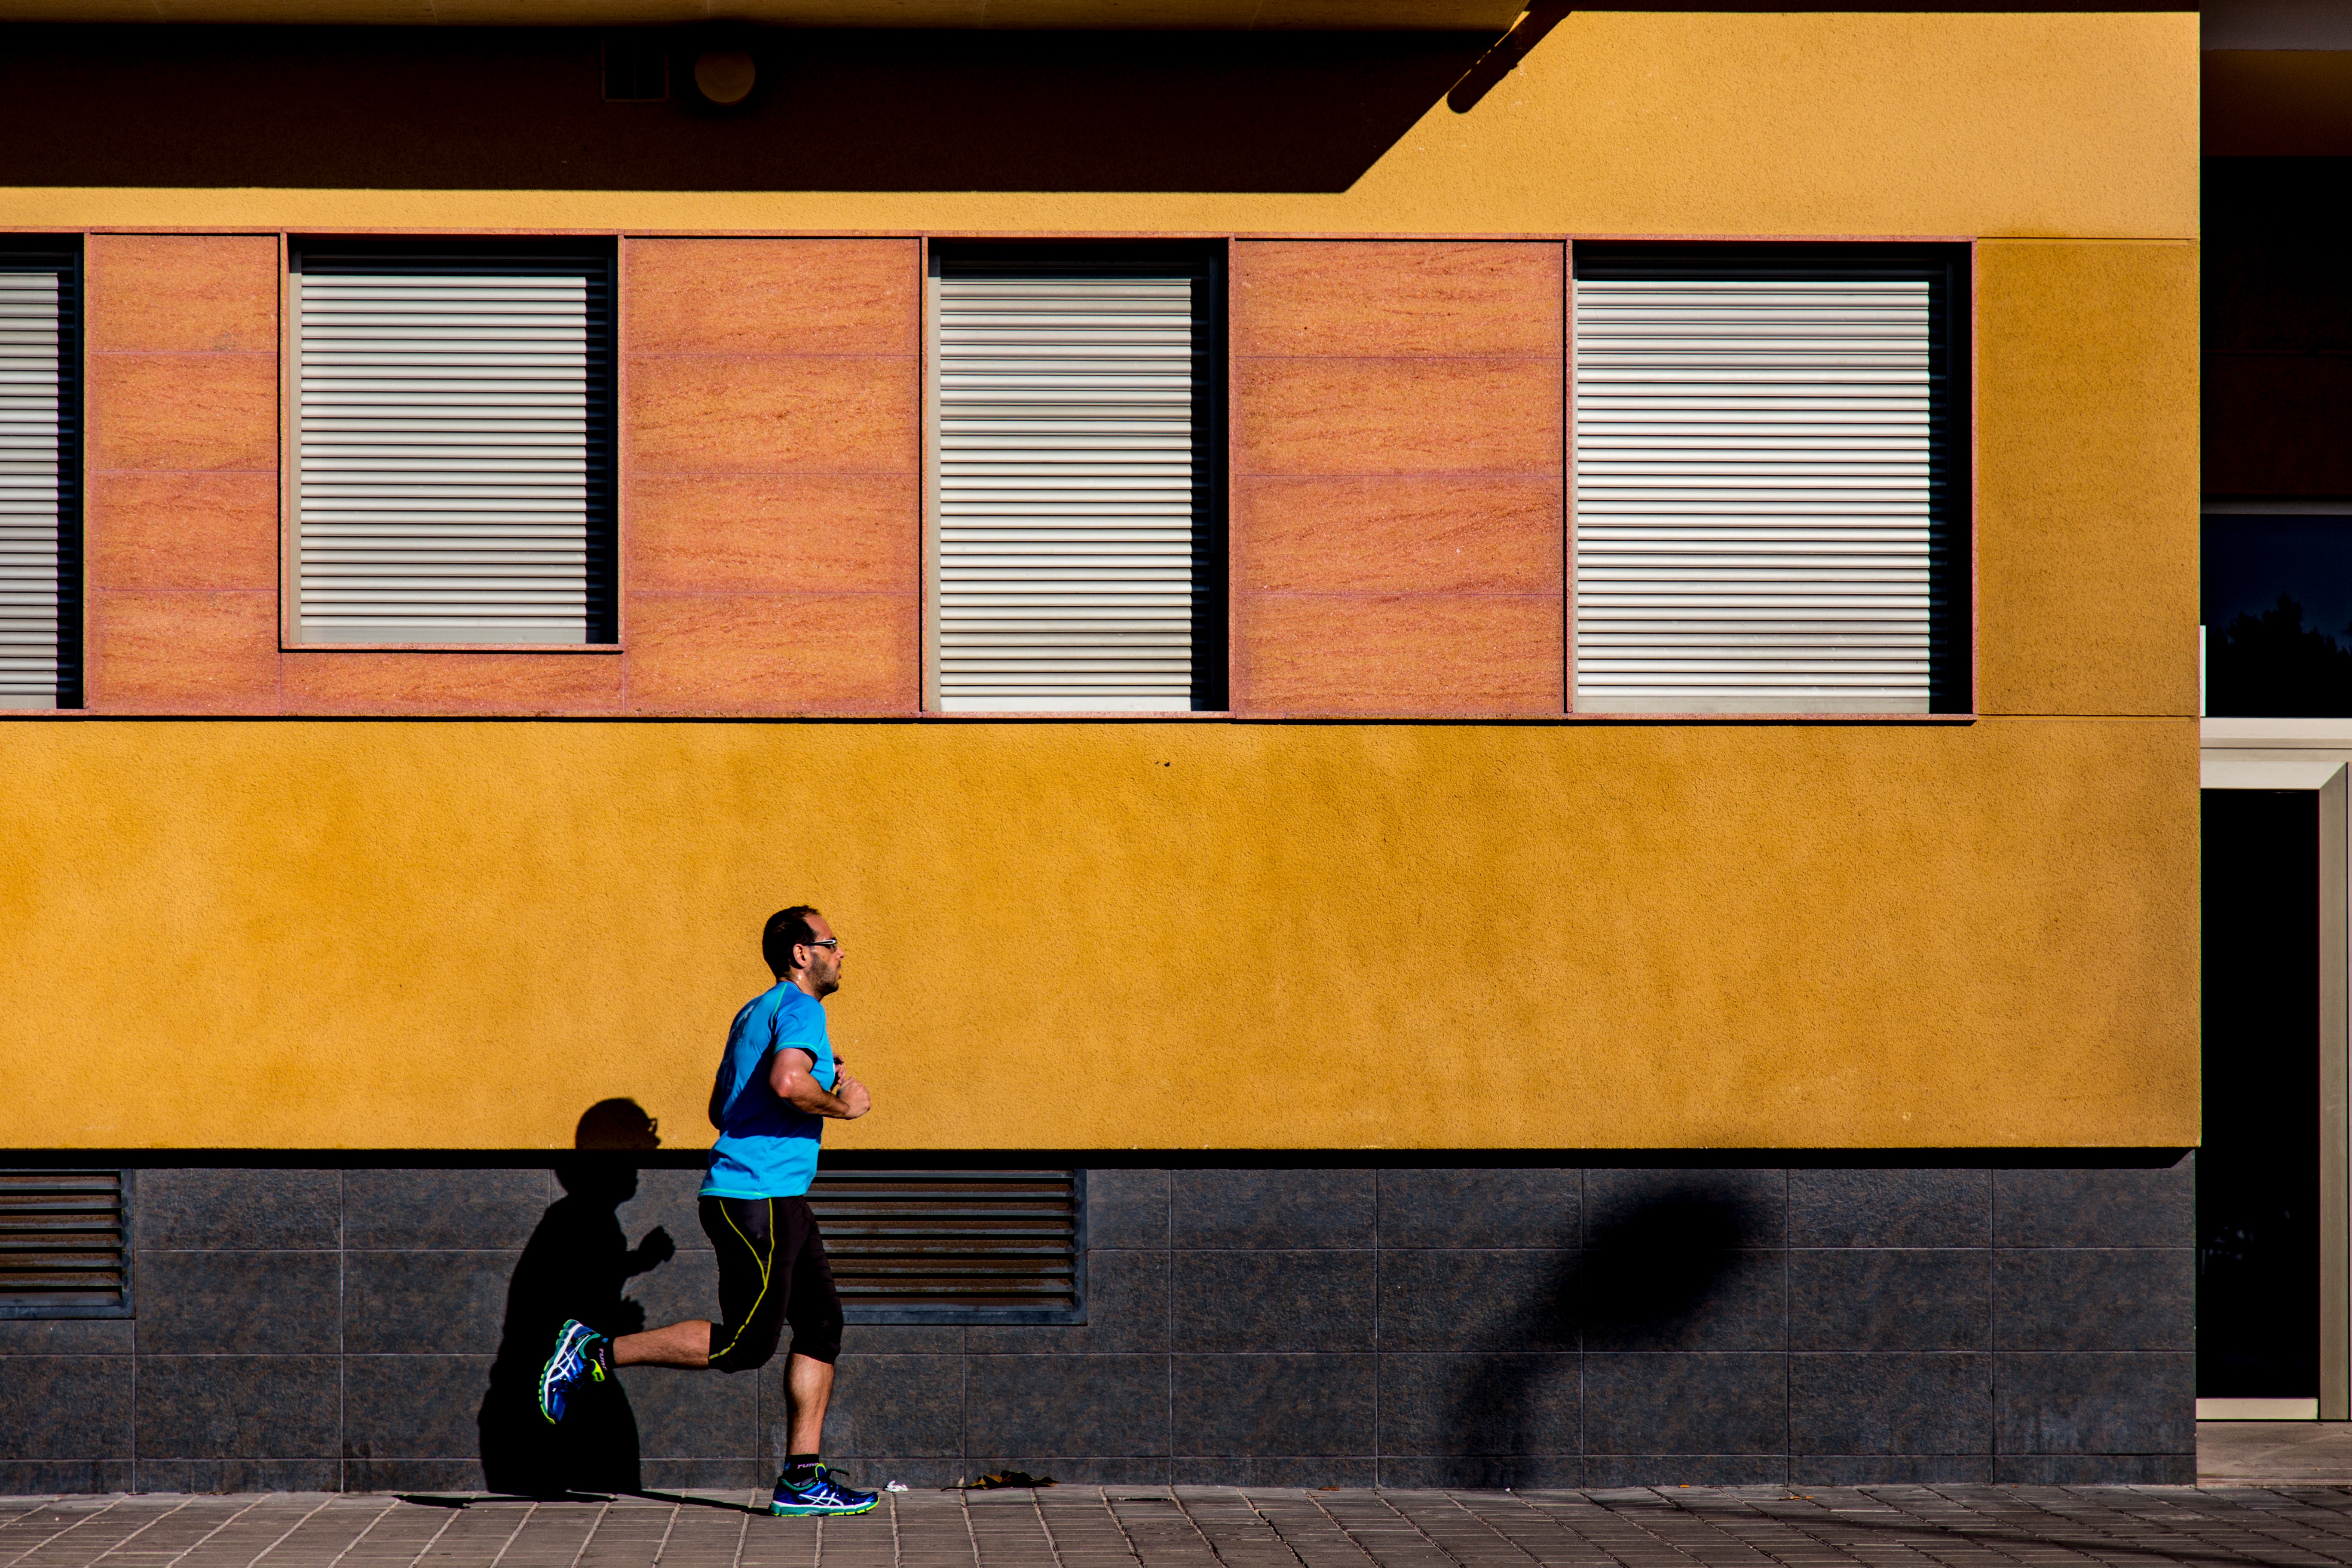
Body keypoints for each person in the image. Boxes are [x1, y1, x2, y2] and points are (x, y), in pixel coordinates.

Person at [535, 905, 878, 1518]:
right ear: (802, 954)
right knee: (746, 1346)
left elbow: (725, 1109)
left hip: (776, 1198)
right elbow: (785, 1084)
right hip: (758, 1198)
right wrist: (841, 1103)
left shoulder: (756, 1012)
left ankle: (803, 1477)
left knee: (822, 1327)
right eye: (832, 942)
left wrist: (817, 1077)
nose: (842, 952)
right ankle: (592, 1351)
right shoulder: (802, 1010)